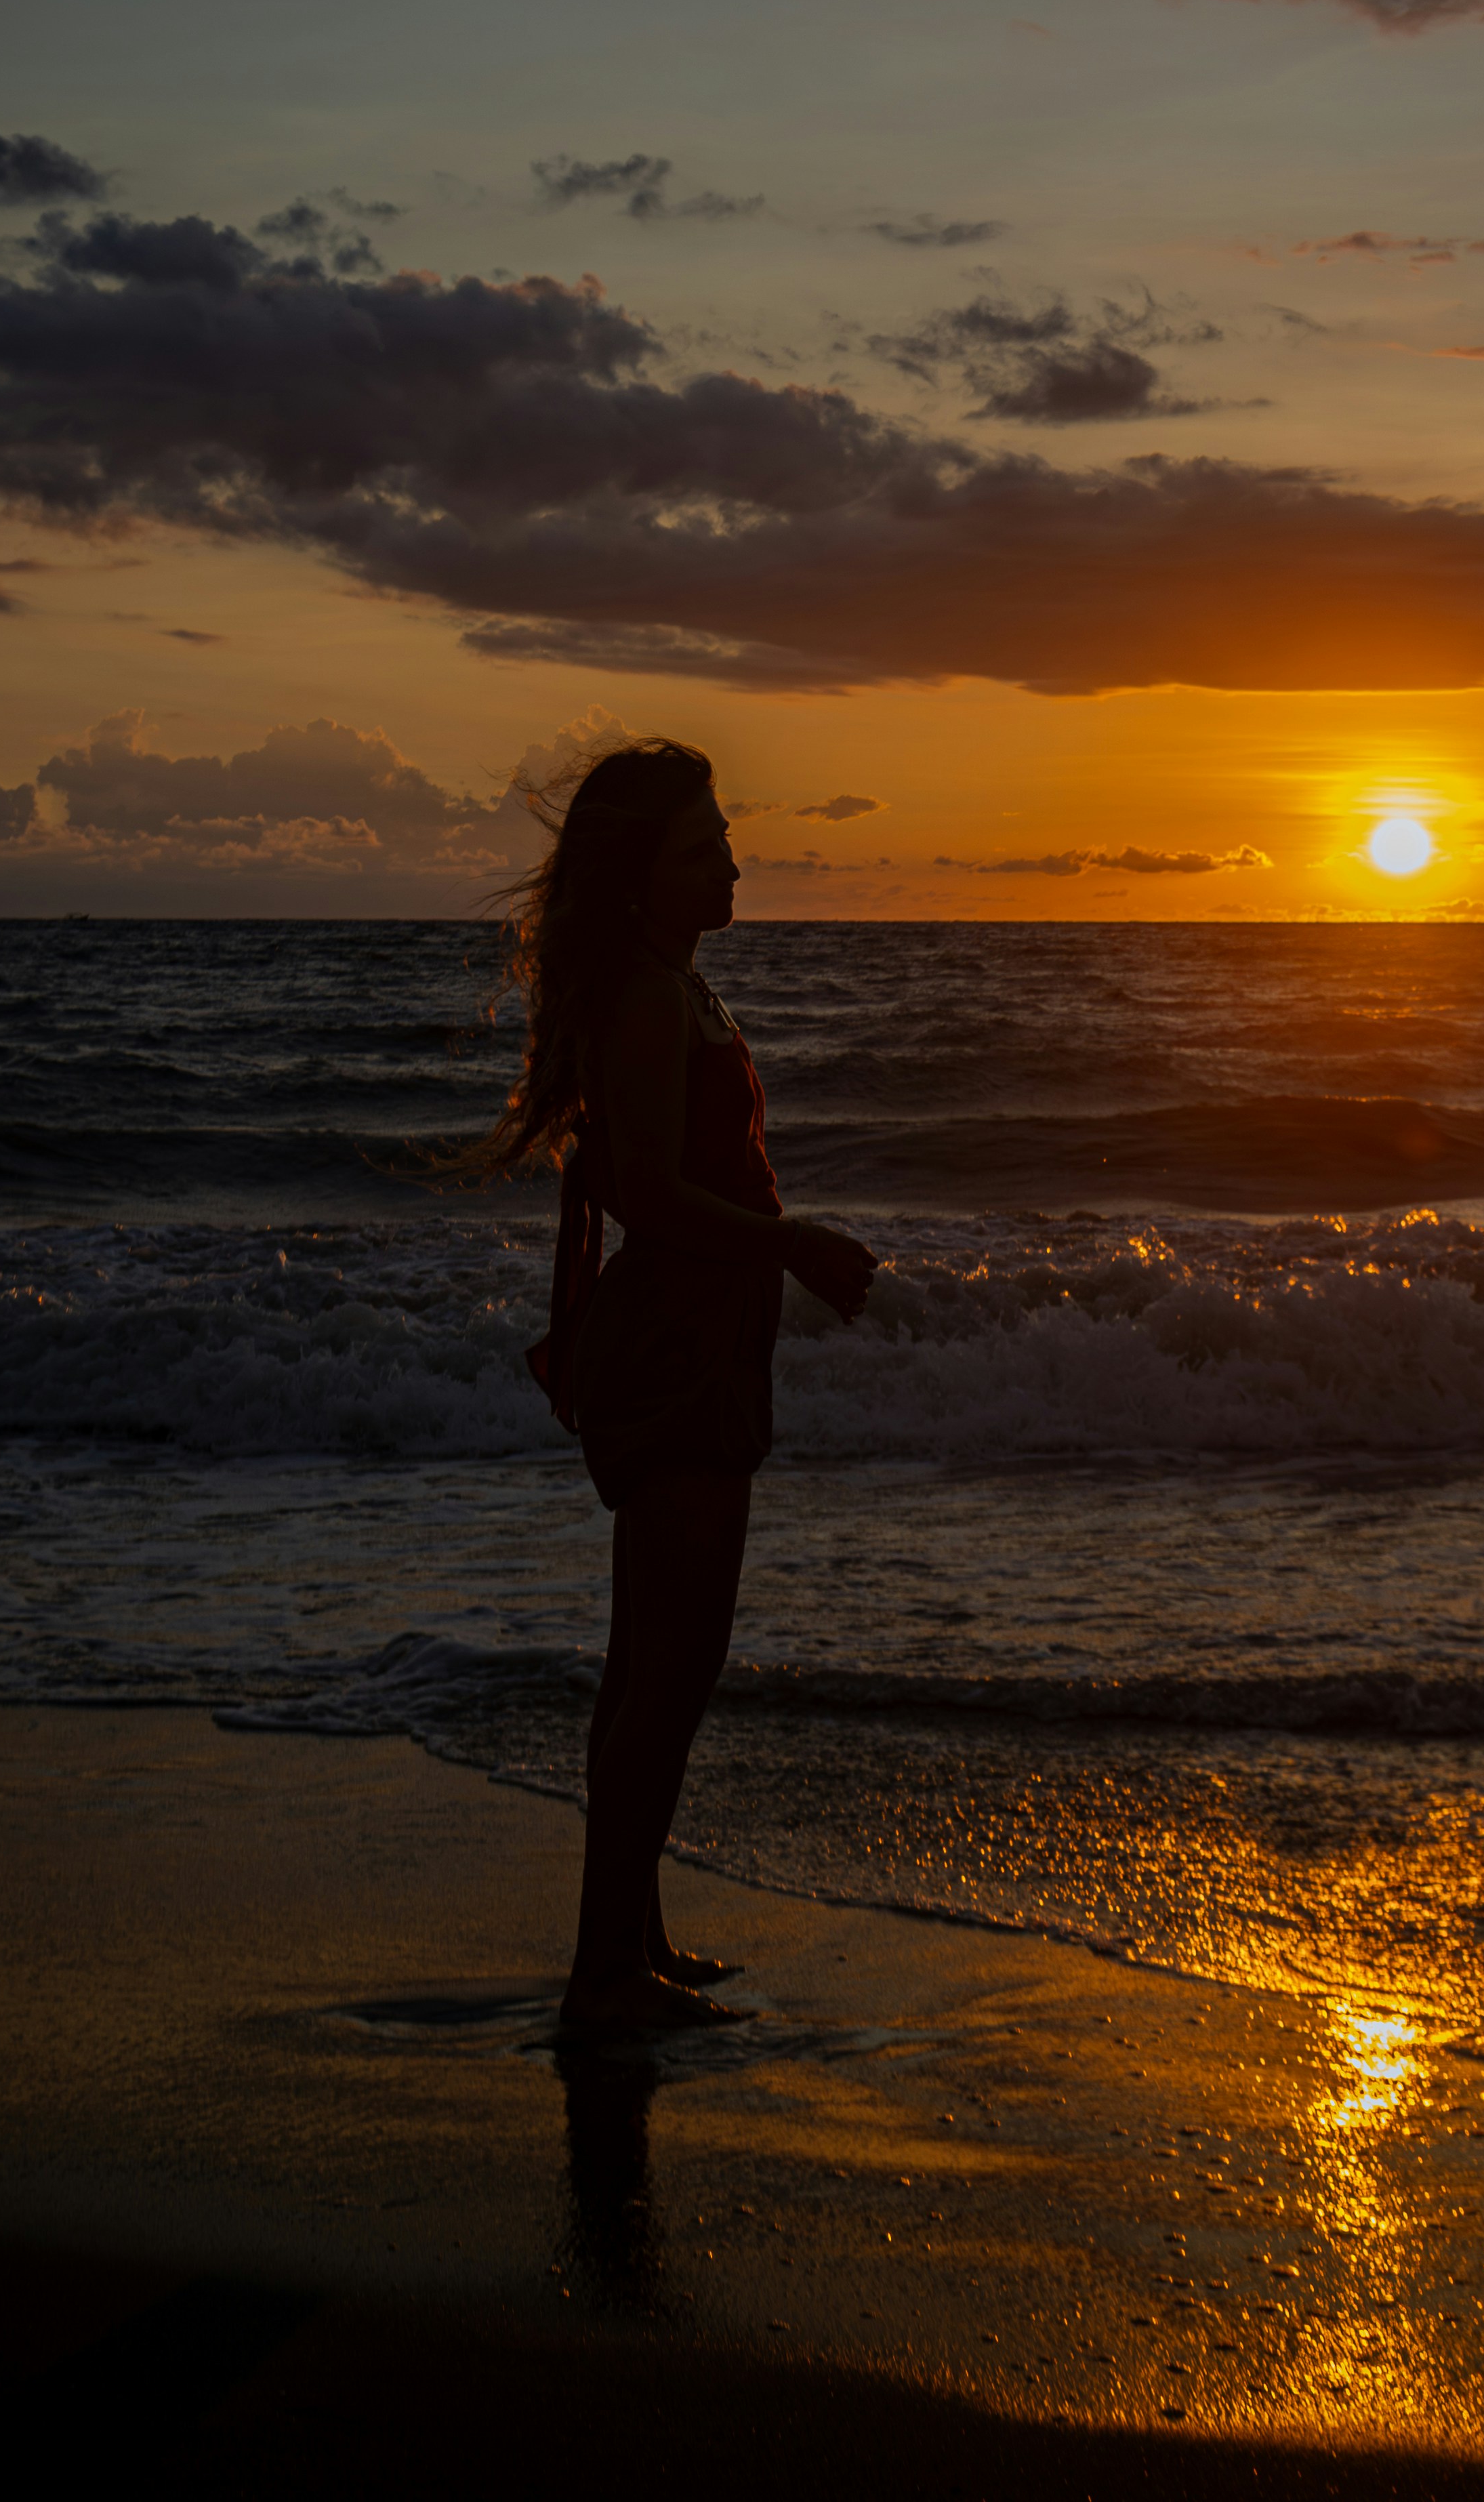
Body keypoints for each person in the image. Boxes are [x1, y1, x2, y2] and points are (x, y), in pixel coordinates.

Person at [453, 738, 880, 2039]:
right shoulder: (648, 999)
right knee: (670, 1674)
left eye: (724, 839)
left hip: (700, 1336)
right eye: (705, 849)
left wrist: (771, 1258)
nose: (732, 863)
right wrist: (793, 1245)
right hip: (680, 1347)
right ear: (644, 874)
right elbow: (649, 1192)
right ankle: (602, 1975)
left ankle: (629, 1942)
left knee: (644, 1664)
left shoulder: (674, 985)